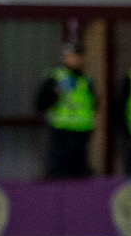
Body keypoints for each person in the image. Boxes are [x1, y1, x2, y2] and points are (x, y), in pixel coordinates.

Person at [35, 42, 96, 179]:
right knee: (60, 173)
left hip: (82, 132)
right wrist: (55, 92)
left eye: (76, 56)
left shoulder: (86, 79)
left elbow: (93, 104)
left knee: (79, 174)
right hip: (61, 131)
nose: (73, 60)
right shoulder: (56, 77)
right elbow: (41, 103)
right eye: (69, 56)